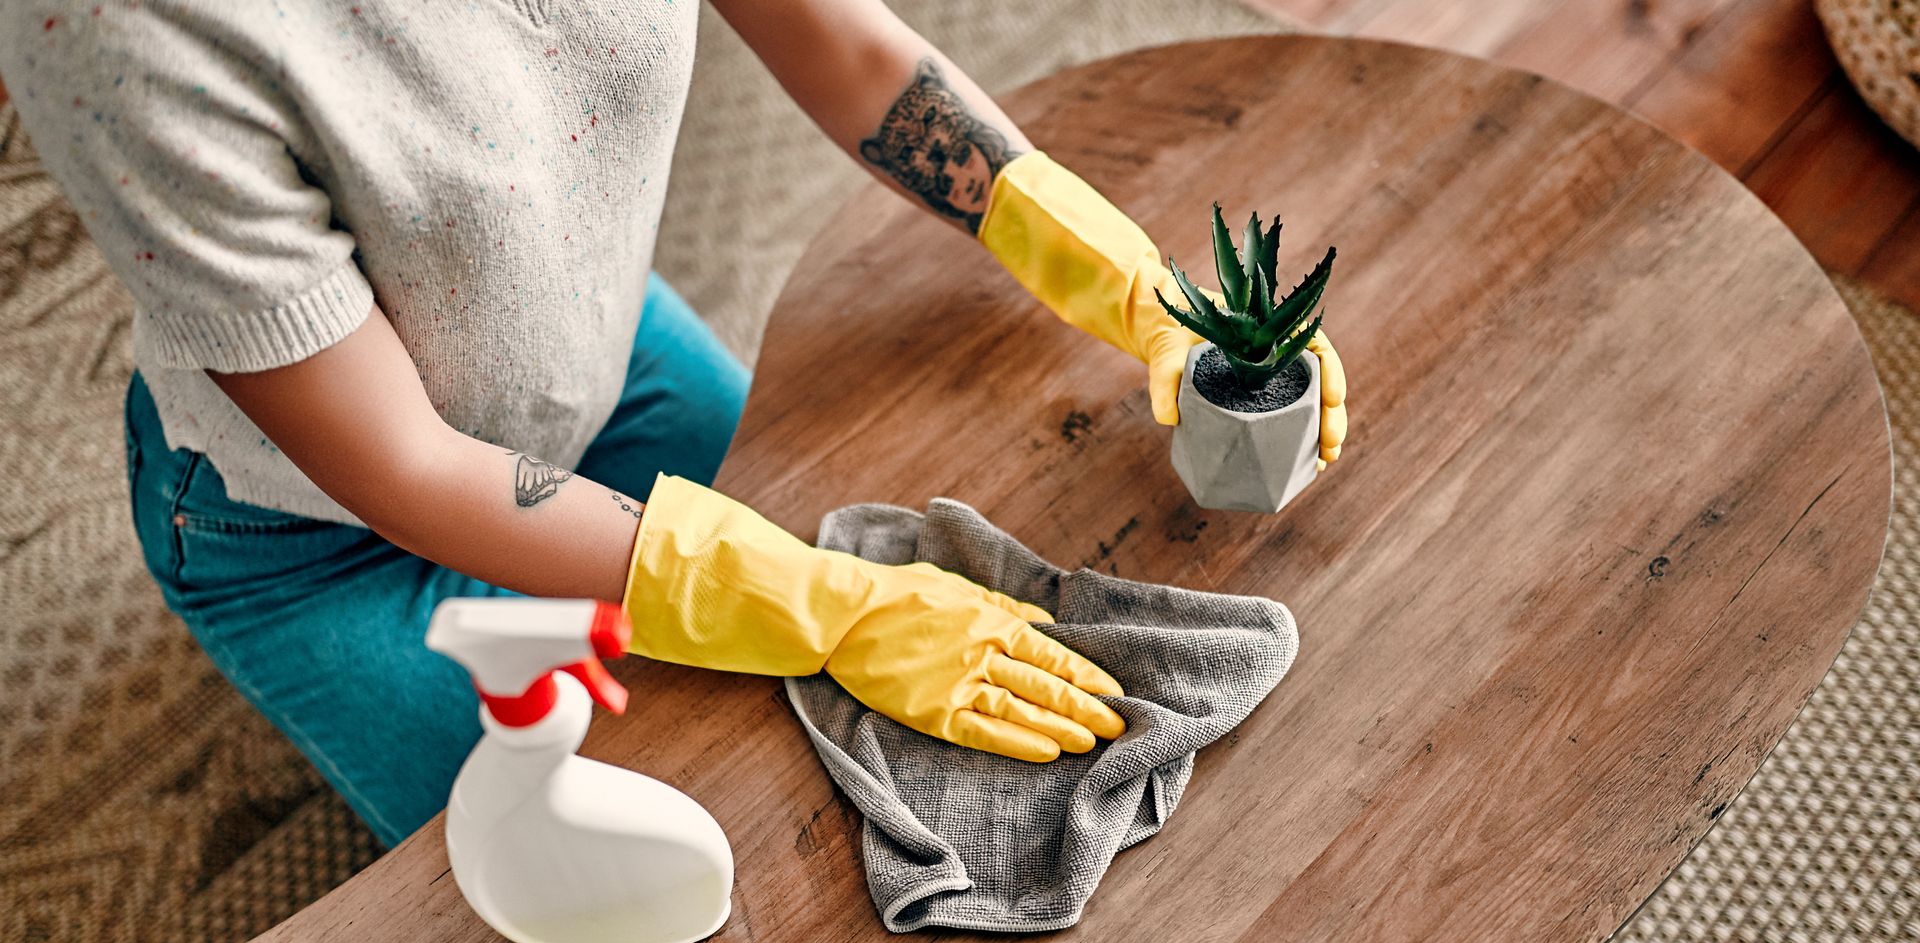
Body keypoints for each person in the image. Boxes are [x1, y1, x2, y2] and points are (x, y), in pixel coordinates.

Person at [0, 0, 1346, 848]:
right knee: (581, 862)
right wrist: (833, 608)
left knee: (840, 704)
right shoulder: (110, 35)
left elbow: (860, 55)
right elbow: (408, 469)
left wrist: (1122, 278)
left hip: (593, 347)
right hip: (319, 529)